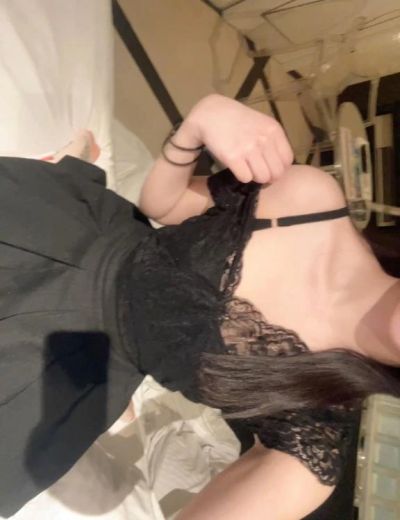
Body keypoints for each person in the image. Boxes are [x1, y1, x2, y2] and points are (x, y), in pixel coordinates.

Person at [0, 94, 399, 519]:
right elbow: (164, 206)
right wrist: (198, 124)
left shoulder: (313, 434)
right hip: (71, 229)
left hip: (57, 370)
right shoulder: (312, 199)